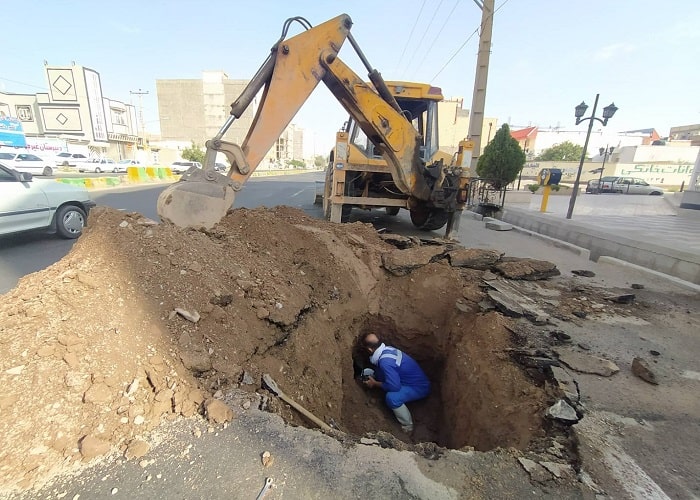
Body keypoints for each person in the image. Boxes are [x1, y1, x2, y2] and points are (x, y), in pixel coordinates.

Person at [361, 333, 431, 433]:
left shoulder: (385, 362)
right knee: (373, 371)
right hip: (408, 379)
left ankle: (408, 426)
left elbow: (394, 387)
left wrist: (375, 384)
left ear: (369, 350)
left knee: (392, 398)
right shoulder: (387, 350)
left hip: (419, 387)